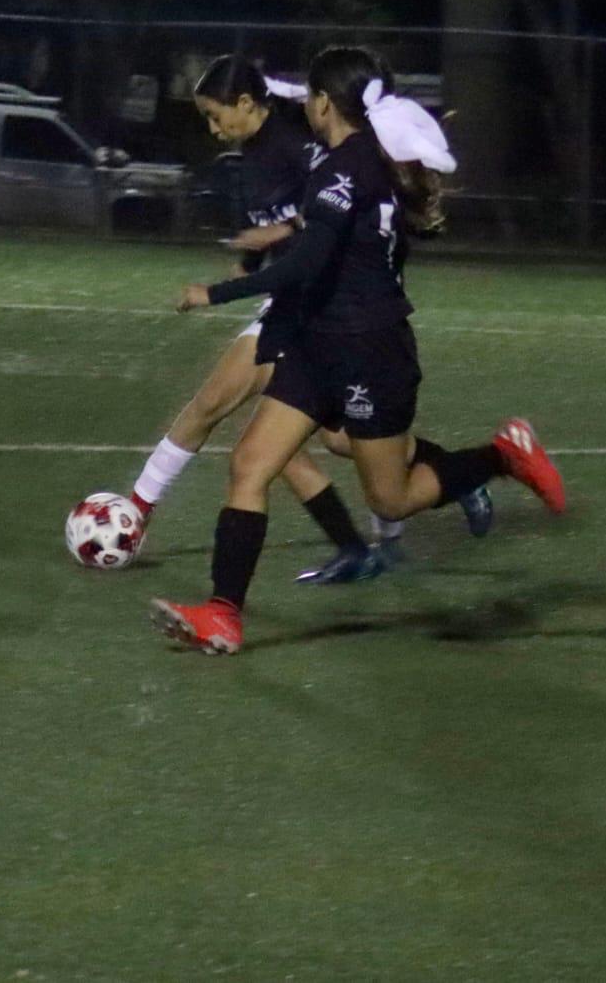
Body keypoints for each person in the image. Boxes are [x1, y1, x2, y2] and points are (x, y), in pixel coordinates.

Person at [150, 46, 566, 655]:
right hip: (321, 346)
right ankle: (223, 615)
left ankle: (501, 456)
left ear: (323, 103)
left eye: (311, 97)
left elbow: (305, 264)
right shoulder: (352, 161)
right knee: (249, 465)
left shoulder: (349, 169)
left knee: (390, 497)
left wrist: (214, 293)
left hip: (371, 349)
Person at [123, 56, 492, 583]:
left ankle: (139, 510)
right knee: (317, 444)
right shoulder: (254, 153)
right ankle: (399, 515)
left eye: (213, 114)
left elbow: (327, 223)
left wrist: (227, 285)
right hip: (302, 307)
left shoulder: (300, 145)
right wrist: (255, 254)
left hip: (315, 310)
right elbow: (285, 223)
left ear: (246, 104)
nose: (211, 128)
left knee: (218, 407)